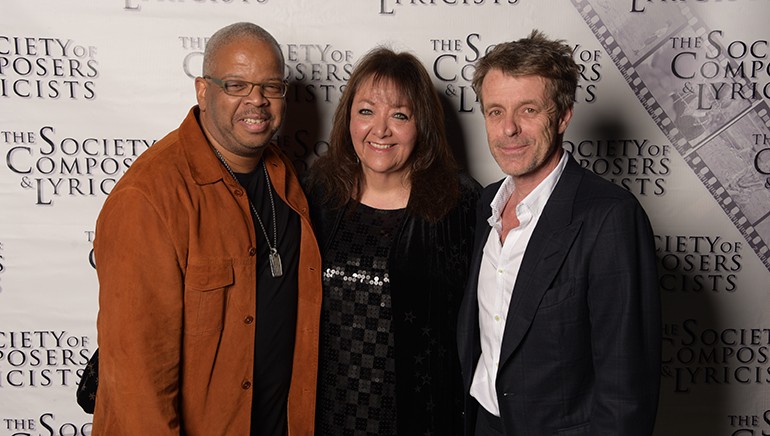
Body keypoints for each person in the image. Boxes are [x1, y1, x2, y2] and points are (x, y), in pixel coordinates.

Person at [91, 22, 322, 435]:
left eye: (271, 87)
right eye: (236, 85)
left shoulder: (283, 176)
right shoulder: (149, 198)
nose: (257, 101)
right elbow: (136, 387)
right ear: (202, 90)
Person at [456, 30, 661, 436]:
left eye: (528, 110)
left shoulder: (610, 218)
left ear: (564, 114)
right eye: (495, 111)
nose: (508, 128)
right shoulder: (486, 204)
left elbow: (625, 389)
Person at [304, 47, 481, 435]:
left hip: (421, 416)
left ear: (423, 125)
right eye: (366, 111)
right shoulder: (315, 194)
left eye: (399, 115)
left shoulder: (460, 204)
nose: (380, 130)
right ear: (348, 117)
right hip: (325, 412)